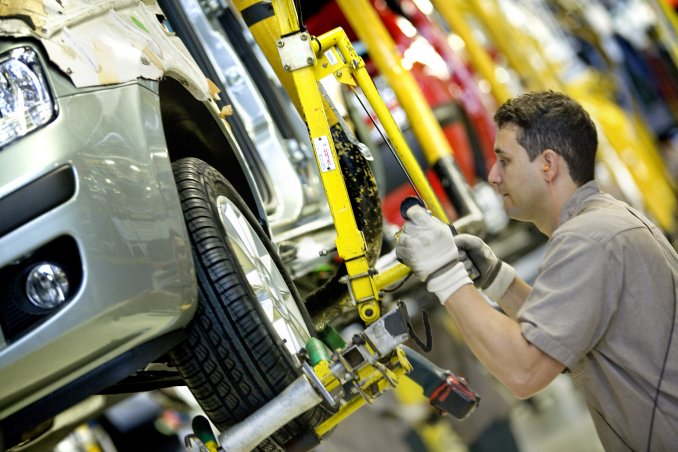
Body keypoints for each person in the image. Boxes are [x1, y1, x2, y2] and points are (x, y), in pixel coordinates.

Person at [396, 91, 678, 451]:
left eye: (504, 161)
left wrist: (444, 273)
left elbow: (525, 371)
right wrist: (498, 279)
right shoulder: (605, 220)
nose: (493, 176)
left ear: (547, 165)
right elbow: (563, 342)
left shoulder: (586, 239)